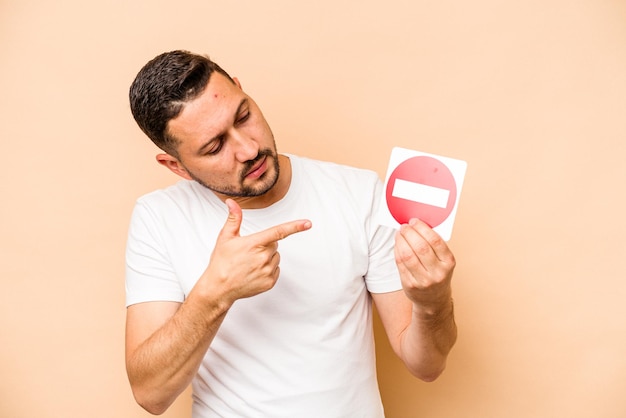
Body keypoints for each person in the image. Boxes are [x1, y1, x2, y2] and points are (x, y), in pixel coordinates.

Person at [125, 50, 457, 418]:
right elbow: (150, 394)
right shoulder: (158, 218)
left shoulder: (360, 193)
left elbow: (426, 366)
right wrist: (215, 292)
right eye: (215, 146)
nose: (249, 149)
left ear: (241, 88)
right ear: (177, 166)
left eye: (244, 116)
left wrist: (432, 301)